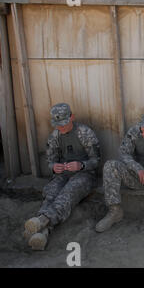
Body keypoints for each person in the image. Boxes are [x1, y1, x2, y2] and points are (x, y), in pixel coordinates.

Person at [24, 103, 100, 250]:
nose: (62, 128)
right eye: (58, 125)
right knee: (51, 193)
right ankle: (44, 233)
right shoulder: (55, 136)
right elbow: (50, 161)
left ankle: (42, 220)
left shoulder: (85, 133)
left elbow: (96, 161)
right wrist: (54, 167)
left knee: (67, 193)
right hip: (63, 174)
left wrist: (81, 165)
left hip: (85, 174)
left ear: (72, 117)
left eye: (64, 124)